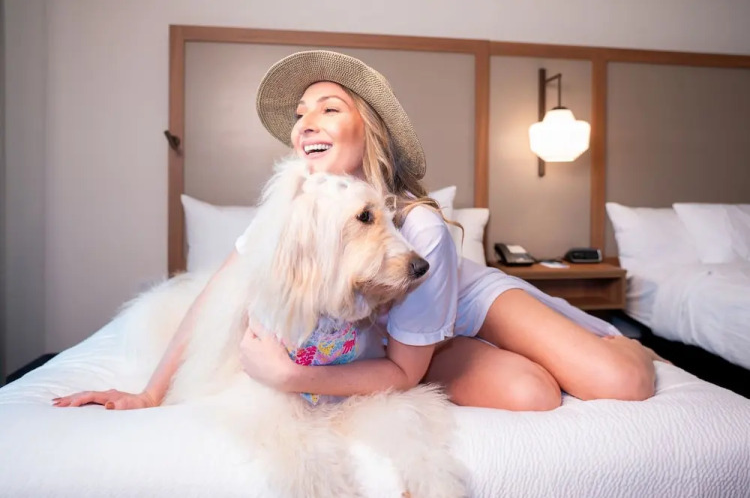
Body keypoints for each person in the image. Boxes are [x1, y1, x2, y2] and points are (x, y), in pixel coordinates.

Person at [53, 50, 659, 412]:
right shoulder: (293, 211)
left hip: (468, 303)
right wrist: (150, 393)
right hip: (409, 339)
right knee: (533, 395)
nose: (305, 122)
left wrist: (294, 377)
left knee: (623, 381)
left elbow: (397, 372)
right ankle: (492, 352)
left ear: (367, 128)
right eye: (300, 114)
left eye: (328, 107)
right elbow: (218, 294)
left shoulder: (420, 226)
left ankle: (619, 342)